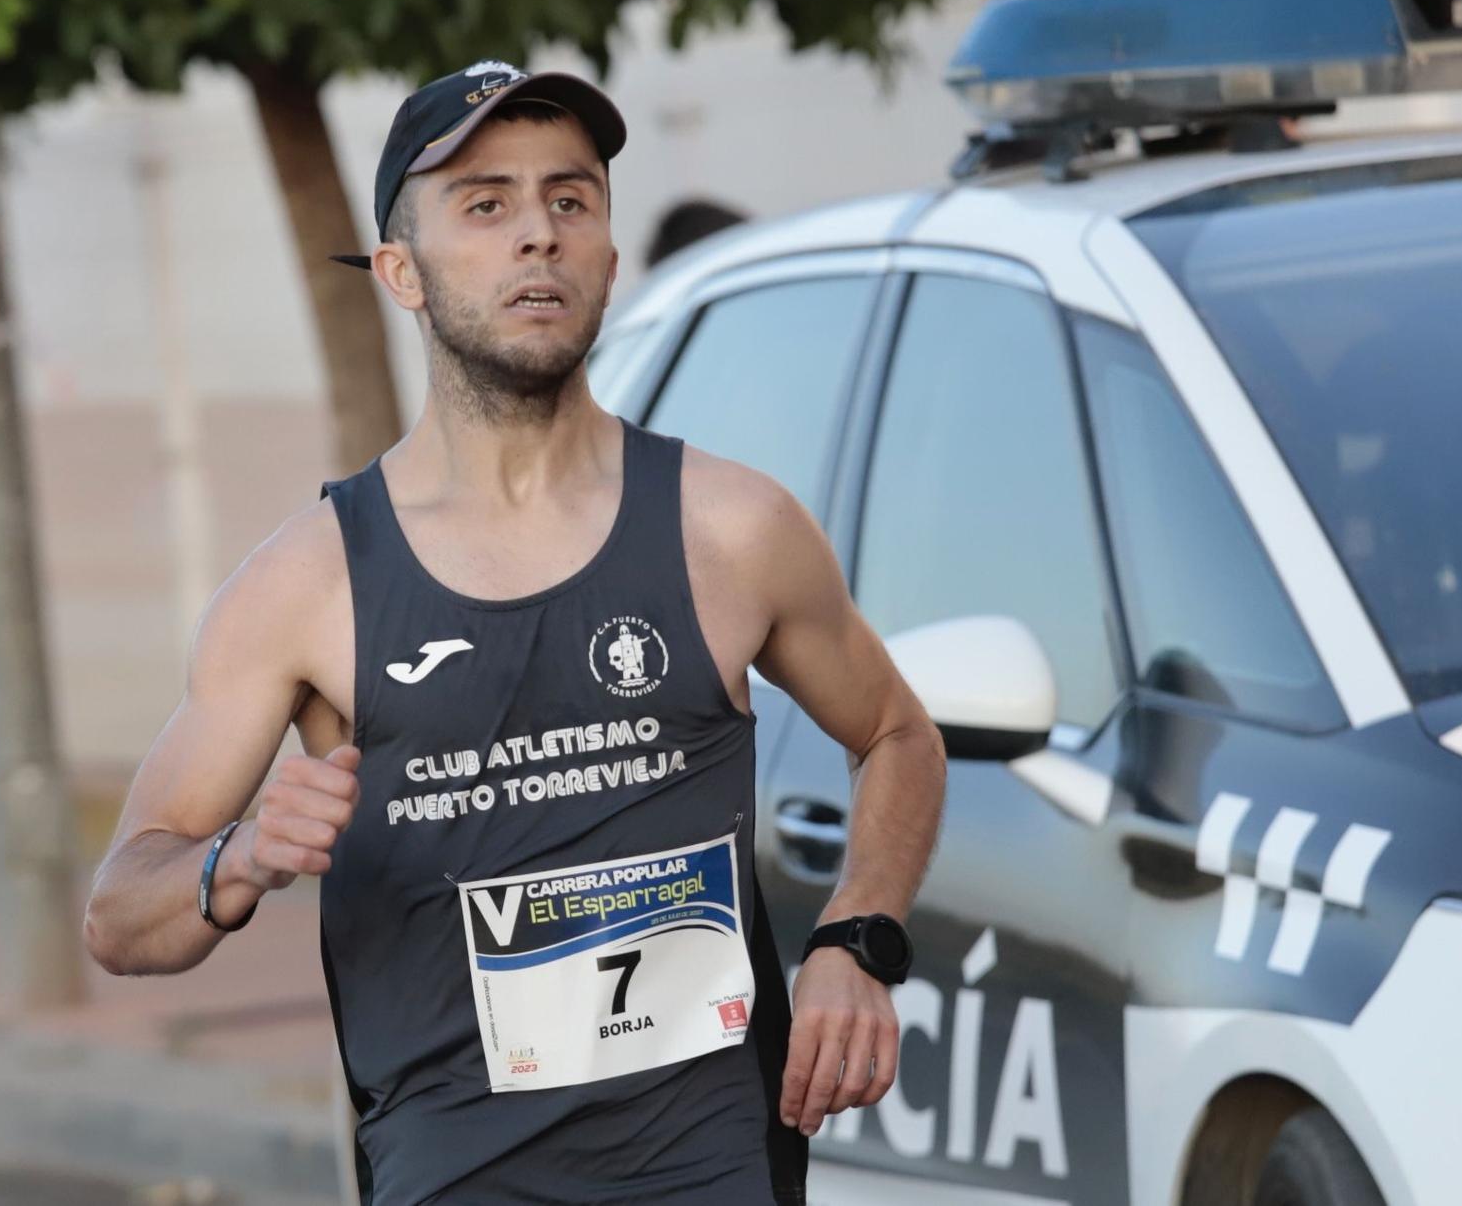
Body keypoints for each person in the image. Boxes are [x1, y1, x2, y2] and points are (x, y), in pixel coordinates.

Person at [82, 59, 947, 1206]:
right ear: (402, 271)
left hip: (715, 1167)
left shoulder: (731, 530)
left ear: (607, 257)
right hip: (455, 1175)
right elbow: (119, 911)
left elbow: (897, 735)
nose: (536, 234)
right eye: (484, 205)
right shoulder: (308, 583)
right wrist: (237, 859)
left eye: (569, 200)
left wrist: (859, 933)